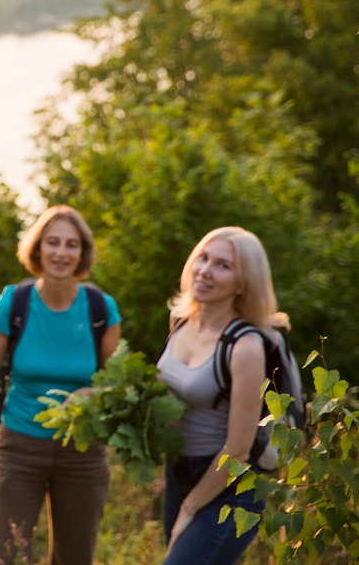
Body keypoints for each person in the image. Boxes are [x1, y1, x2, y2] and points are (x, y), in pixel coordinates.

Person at [0, 205, 121, 564]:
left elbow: (117, 385)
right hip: (18, 447)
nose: (61, 253)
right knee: (5, 556)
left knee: (75, 558)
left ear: (82, 253)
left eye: (71, 245)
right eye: (53, 242)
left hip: (83, 452)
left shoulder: (101, 309)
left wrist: (94, 393)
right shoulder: (13, 303)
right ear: (38, 248)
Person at [156, 227, 283, 564]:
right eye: (203, 257)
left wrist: (191, 505)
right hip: (179, 471)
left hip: (230, 487)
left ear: (243, 283)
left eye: (223, 266)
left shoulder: (245, 347)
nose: (205, 270)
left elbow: (238, 451)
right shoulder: (180, 320)